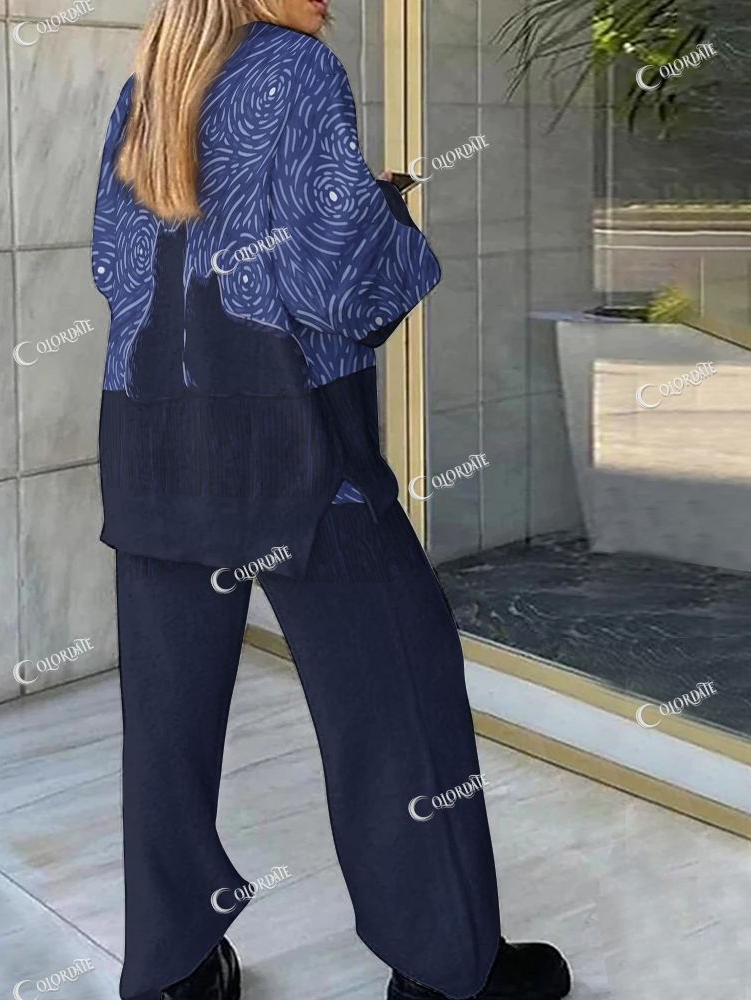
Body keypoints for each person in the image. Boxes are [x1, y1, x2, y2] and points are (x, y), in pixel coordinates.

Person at [91, 1, 572, 998]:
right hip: (294, 447)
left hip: (152, 443)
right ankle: (450, 971)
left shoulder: (151, 82)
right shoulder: (296, 69)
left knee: (167, 728)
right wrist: (385, 210)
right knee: (398, 697)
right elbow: (338, 288)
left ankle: (173, 972)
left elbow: (114, 263)